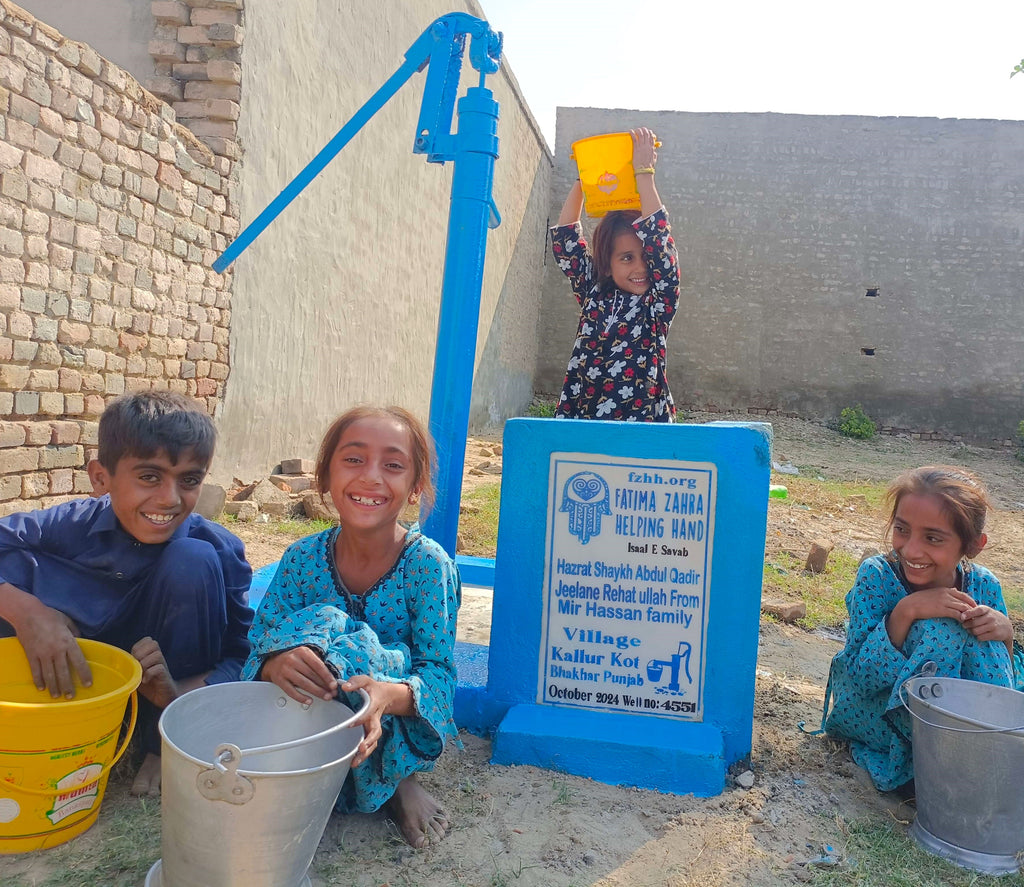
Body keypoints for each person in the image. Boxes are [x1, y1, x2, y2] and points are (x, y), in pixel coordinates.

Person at [0, 391, 253, 796]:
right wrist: (30, 614)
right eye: (149, 477)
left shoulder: (219, 548)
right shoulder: (70, 524)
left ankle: (162, 742)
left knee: (192, 559)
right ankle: (40, 716)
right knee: (11, 569)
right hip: (85, 676)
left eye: (189, 479)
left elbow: (245, 656)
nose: (169, 499)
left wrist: (176, 696)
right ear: (101, 478)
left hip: (161, 687)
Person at [242, 405, 461, 849]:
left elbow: (438, 677)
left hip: (389, 725)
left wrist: (383, 697)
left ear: (415, 486)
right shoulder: (302, 559)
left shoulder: (428, 566)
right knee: (314, 628)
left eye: (393, 465)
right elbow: (258, 643)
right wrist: (275, 665)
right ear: (325, 477)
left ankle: (399, 783)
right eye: (354, 459)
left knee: (366, 645)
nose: (371, 477)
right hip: (311, 715)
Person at [820, 465, 1024, 792]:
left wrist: (1006, 634)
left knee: (982, 629)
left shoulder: (984, 585)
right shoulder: (878, 578)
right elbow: (860, 677)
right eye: (902, 529)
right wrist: (906, 611)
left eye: (932, 538)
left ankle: (991, 756)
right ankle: (929, 769)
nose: (912, 550)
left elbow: (1002, 682)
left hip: (966, 729)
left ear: (972, 545)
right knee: (945, 628)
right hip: (881, 720)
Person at [549, 126, 680, 421]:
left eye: (646, 258)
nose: (641, 267)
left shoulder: (657, 305)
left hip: (642, 425)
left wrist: (643, 172)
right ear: (606, 264)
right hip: (582, 418)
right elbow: (566, 243)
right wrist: (585, 180)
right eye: (627, 258)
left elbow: (659, 243)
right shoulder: (594, 293)